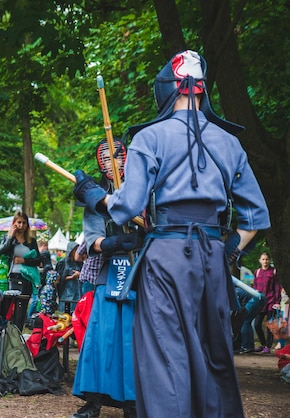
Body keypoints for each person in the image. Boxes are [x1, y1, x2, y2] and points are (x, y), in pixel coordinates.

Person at [73, 50, 270, 417]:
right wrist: (229, 247)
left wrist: (95, 197)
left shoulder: (149, 137)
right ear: (202, 90)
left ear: (167, 89)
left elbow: (128, 206)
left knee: (166, 353)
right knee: (215, 351)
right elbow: (256, 216)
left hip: (165, 256)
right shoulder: (230, 142)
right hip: (212, 255)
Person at [70, 138, 138, 418]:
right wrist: (112, 243)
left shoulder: (145, 189)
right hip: (108, 273)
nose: (114, 163)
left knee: (134, 339)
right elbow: (93, 240)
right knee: (100, 337)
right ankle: (93, 400)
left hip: (141, 273)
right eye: (107, 158)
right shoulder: (95, 198)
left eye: (118, 156)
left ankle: (134, 403)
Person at [0, 211, 40, 329]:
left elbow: (38, 260)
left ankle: (19, 335)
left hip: (27, 278)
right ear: (14, 223)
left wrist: (24, 261)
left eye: (24, 223)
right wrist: (11, 236)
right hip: (12, 278)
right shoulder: (7, 238)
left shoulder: (31, 241)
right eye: (19, 222)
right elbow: (1, 251)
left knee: (21, 309)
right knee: (7, 308)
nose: (21, 225)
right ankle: (4, 334)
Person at [252, 252, 282, 353]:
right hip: (260, 303)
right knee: (257, 324)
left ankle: (268, 347)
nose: (265, 261)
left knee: (270, 325)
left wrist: (277, 301)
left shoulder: (273, 272)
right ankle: (263, 344)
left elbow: (277, 287)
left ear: (269, 260)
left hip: (271, 301)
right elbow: (254, 287)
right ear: (260, 260)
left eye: (267, 259)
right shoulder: (257, 272)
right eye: (263, 259)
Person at [55, 241, 83, 313]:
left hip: (77, 291)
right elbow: (59, 278)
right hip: (66, 291)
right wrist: (72, 277)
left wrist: (80, 274)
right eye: (75, 250)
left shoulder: (79, 262)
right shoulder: (63, 262)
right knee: (65, 311)